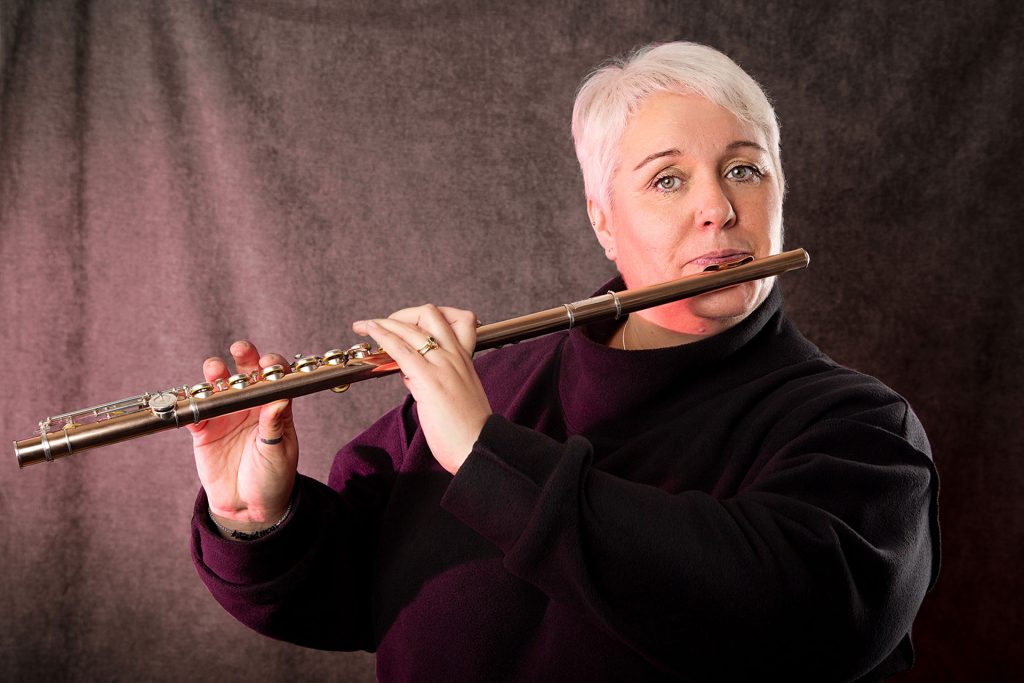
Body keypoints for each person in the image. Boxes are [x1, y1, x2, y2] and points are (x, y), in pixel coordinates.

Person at [189, 42, 939, 682]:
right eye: (667, 179)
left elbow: (793, 620)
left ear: (779, 188)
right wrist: (258, 521)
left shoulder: (862, 431)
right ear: (602, 218)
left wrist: (490, 458)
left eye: (744, 169)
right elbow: (347, 595)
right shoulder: (477, 391)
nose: (717, 207)